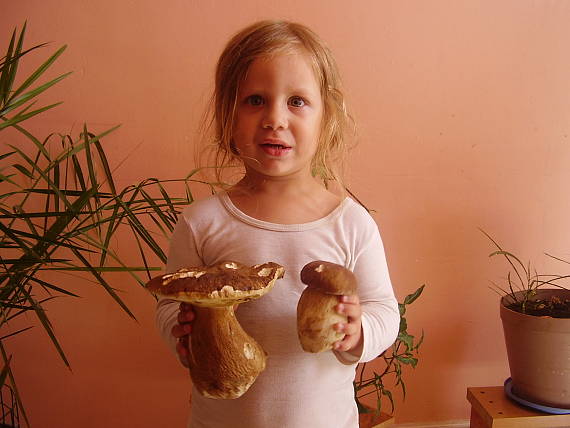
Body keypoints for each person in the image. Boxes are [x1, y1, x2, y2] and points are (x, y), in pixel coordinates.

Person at [155, 20, 400, 428]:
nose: (274, 119)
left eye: (297, 102)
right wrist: (178, 332)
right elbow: (168, 303)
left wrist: (360, 333)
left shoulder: (352, 224)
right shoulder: (202, 222)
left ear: (328, 117)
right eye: (254, 100)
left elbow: (384, 311)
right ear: (228, 115)